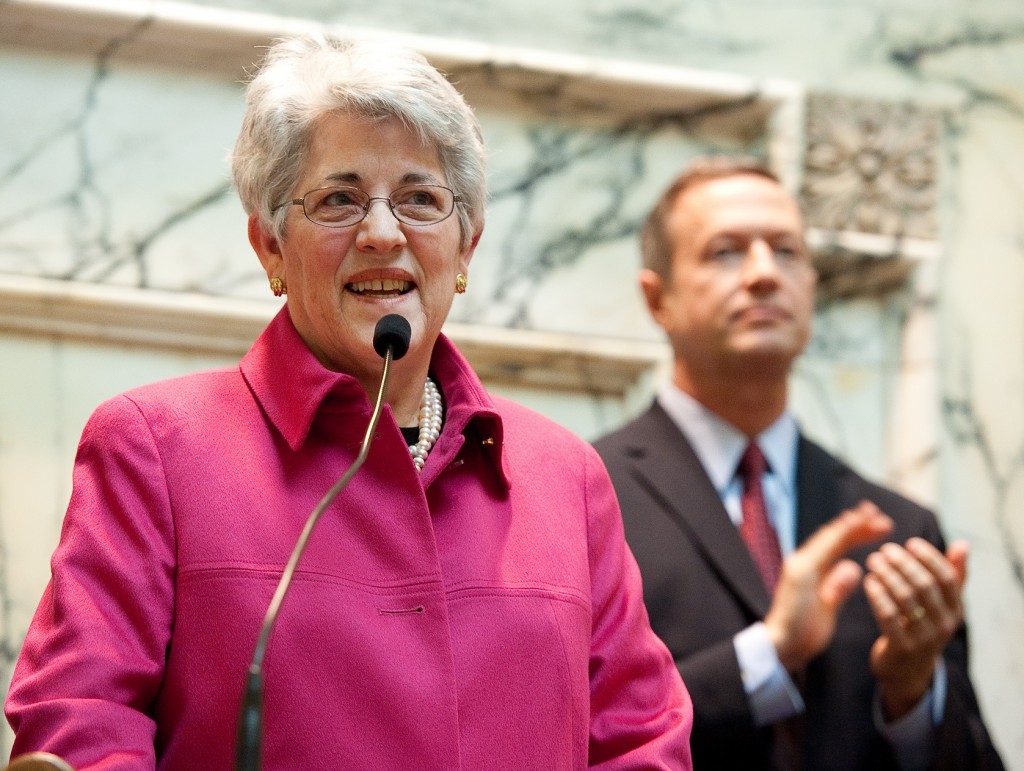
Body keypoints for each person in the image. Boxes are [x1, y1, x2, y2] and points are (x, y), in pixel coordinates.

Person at [5, 34, 693, 770]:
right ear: (270, 244)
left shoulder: (565, 476)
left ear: (466, 248)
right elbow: (82, 722)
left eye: (420, 199)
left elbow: (641, 741)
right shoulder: (157, 446)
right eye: (339, 199)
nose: (382, 233)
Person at [593, 156, 1004, 770]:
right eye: (726, 251)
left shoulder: (899, 531)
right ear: (658, 299)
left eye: (785, 251)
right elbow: (572, 733)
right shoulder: (586, 498)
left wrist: (912, 692)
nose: (764, 274)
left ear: (811, 285)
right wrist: (769, 653)